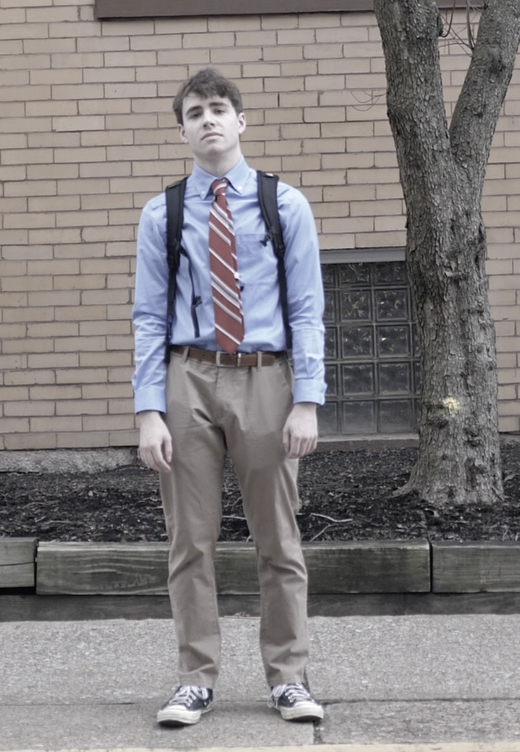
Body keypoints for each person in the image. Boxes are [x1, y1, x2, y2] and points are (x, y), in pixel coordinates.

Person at [132, 68, 328, 727]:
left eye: (219, 108)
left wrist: (308, 398)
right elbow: (148, 316)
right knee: (190, 539)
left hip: (266, 378)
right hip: (189, 376)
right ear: (182, 128)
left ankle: (289, 676)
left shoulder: (285, 204)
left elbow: (307, 306)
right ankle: (195, 677)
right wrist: (148, 408)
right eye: (195, 111)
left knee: (278, 536)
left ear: (241, 121)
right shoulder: (164, 212)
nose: (208, 119)